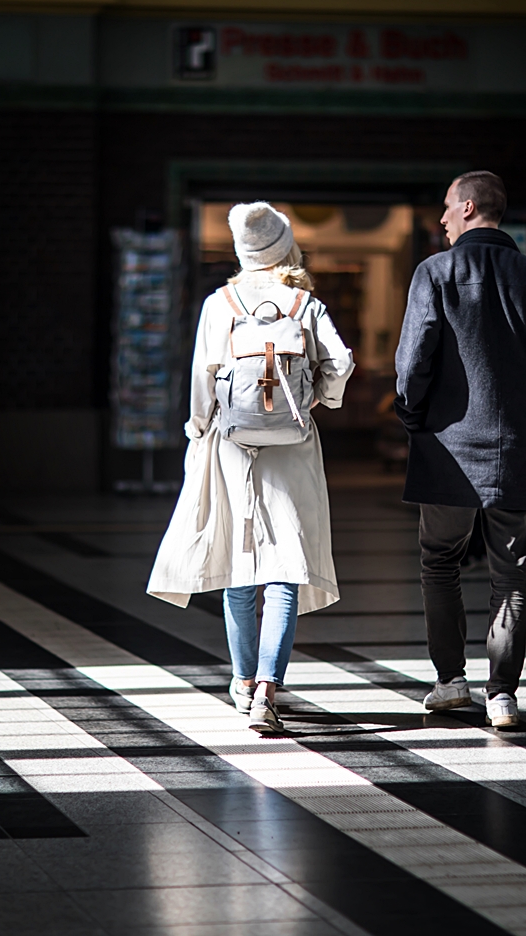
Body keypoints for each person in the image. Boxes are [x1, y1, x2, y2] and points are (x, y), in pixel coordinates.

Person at [148, 203, 355, 734]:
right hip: (293, 446)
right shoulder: (305, 304)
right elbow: (342, 362)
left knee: (240, 567)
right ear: (287, 248)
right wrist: (316, 402)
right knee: (285, 568)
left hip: (231, 443)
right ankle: (268, 687)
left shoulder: (221, 303)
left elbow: (201, 377)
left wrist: (198, 429)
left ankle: (241, 683)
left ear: (243, 254)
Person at [394, 171, 526, 729]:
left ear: (470, 207)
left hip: (448, 451)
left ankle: (450, 682)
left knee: (440, 560)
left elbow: (413, 365)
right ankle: (502, 694)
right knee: (511, 572)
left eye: (448, 209)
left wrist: (416, 422)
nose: (442, 219)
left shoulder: (435, 272)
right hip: (521, 450)